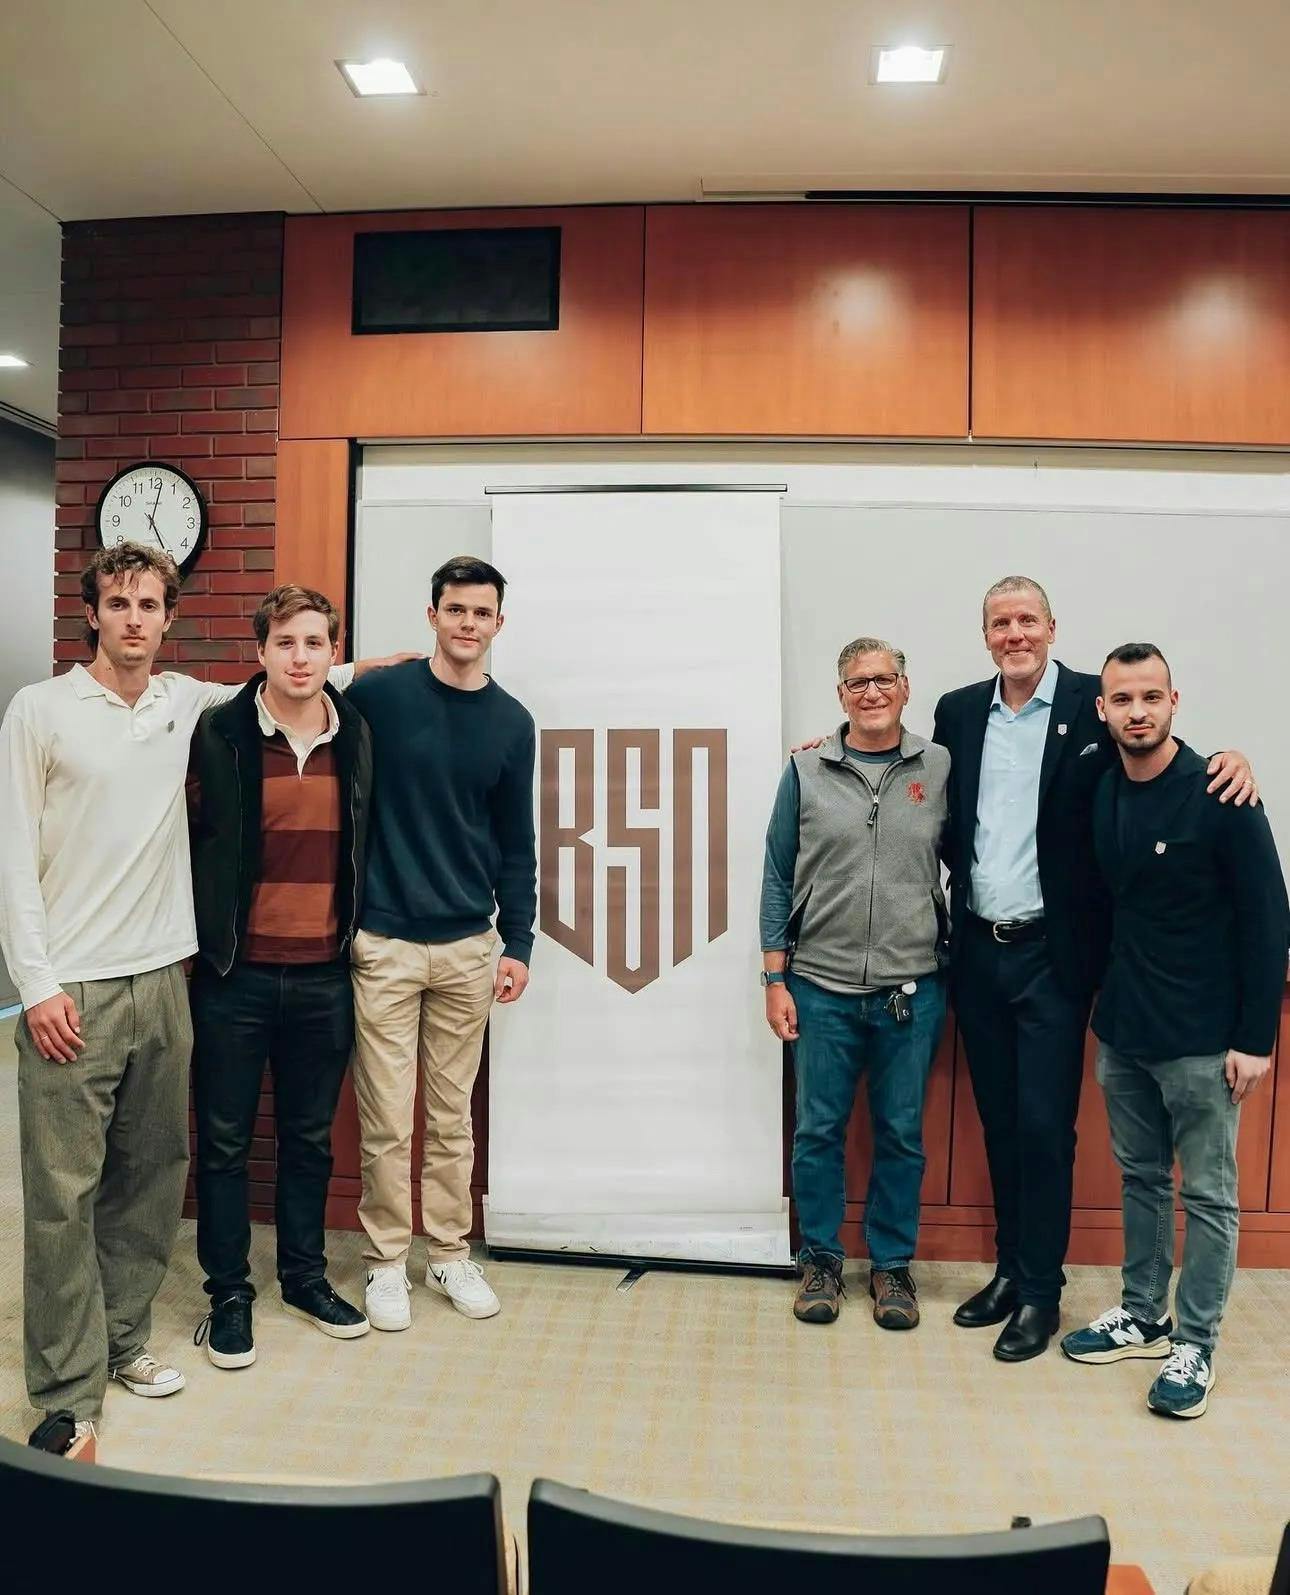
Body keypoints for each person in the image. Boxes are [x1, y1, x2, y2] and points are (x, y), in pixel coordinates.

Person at [0, 543, 401, 1445]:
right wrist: (36, 984)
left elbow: (292, 682)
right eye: (118, 602)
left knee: (150, 1183)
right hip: (73, 986)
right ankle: (66, 1391)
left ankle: (124, 1341)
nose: (134, 618)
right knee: (63, 1197)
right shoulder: (40, 710)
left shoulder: (187, 705)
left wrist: (382, 666)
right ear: (92, 613)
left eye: (149, 604)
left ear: (169, 618)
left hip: (166, 977)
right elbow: (12, 857)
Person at [933, 576, 1254, 1362]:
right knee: (1001, 1123)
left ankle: (1041, 1292)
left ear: (1051, 626)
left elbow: (1157, 750)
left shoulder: (1093, 703)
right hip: (977, 949)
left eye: (1028, 619)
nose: (1015, 633)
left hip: (1054, 956)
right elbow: (923, 789)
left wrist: (1232, 757)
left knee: (1045, 1127)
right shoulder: (958, 711)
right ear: (985, 635)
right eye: (1001, 622)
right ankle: (1010, 1270)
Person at [1060, 644, 1288, 1418]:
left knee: (1211, 1196)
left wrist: (1256, 1038)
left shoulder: (1221, 791)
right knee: (1142, 1179)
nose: (1138, 712)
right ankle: (1144, 1315)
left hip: (1203, 1038)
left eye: (1151, 697)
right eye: (1123, 699)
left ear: (1174, 701)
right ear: (1103, 710)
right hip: (1125, 1028)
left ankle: (1196, 1342)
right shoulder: (1102, 785)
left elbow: (1269, 919)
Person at [348, 555, 536, 1330]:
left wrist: (518, 940)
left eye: (481, 612)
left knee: (452, 1119)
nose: (468, 623)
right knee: (387, 1121)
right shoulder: (381, 696)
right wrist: (355, 664)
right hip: (385, 941)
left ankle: (449, 1252)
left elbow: (517, 841)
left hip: (467, 946)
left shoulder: (513, 721)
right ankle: (385, 1261)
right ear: (432, 615)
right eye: (455, 609)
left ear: (498, 623)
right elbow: (295, 692)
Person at [188, 585, 373, 1370]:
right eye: (285, 643)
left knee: (308, 1140)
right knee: (224, 1143)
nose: (300, 658)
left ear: (335, 652)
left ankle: (304, 1277)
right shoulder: (219, 732)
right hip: (235, 975)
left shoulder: (355, 732)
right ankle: (229, 1292)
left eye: (314, 643)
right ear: (260, 650)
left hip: (325, 974)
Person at [761, 637, 949, 1328]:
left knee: (901, 1134)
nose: (872, 692)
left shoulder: (940, 766)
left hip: (911, 990)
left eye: (884, 679)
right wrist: (773, 976)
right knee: (818, 1132)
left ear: (905, 687)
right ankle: (820, 1261)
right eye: (857, 682)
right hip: (819, 985)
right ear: (841, 694)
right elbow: (777, 875)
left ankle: (892, 1266)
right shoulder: (806, 770)